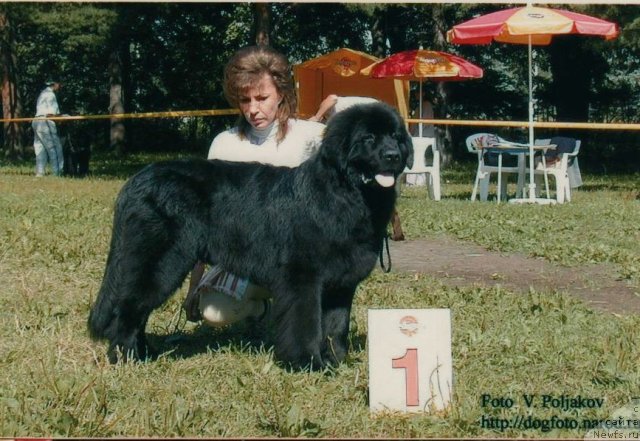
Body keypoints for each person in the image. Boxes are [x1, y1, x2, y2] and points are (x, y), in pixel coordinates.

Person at [182, 45, 326, 326]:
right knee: (213, 312)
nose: (253, 109)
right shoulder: (224, 145)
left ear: (282, 93)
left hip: (302, 260)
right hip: (244, 260)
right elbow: (204, 222)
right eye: (245, 100)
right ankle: (263, 313)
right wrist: (193, 289)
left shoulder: (314, 139)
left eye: (262, 98)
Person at [32, 80, 64, 177]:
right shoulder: (50, 95)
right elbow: (51, 114)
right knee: (54, 147)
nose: (60, 87)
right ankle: (57, 172)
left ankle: (40, 172)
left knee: (40, 148)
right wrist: (63, 117)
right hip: (45, 122)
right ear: (55, 84)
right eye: (59, 84)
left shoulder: (42, 94)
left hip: (36, 120)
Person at [406, 98, 436, 186]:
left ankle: (413, 181)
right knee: (419, 157)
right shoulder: (420, 107)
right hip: (420, 135)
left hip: (422, 135)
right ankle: (416, 180)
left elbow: (425, 121)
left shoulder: (426, 105)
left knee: (416, 157)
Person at [308, 94, 378, 123]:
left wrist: (317, 116)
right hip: (367, 113)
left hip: (371, 107)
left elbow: (333, 98)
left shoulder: (323, 108)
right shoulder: (331, 120)